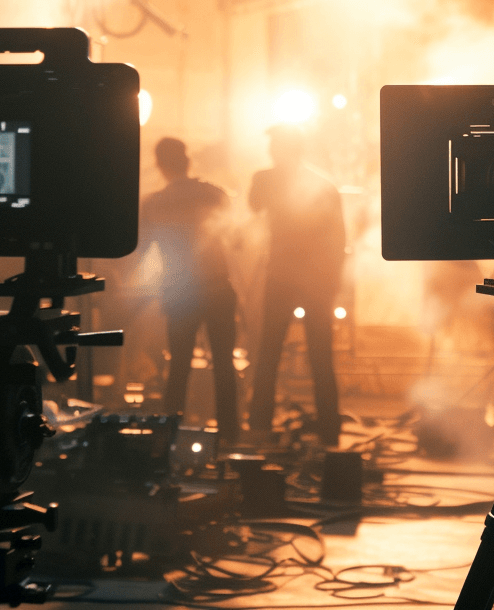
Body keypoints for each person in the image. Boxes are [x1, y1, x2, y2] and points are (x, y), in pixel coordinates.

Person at [247, 125, 347, 446]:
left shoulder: (265, 179)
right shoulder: (323, 185)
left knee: (269, 353)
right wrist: (332, 282)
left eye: (275, 145)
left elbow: (253, 206)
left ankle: (260, 425)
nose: (270, 151)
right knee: (321, 356)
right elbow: (339, 239)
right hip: (315, 281)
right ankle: (329, 429)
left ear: (283, 148)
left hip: (283, 277)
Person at [139, 137, 239, 444]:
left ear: (161, 165)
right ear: (187, 161)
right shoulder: (214, 193)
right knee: (224, 363)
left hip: (182, 291)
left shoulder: (155, 203)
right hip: (218, 287)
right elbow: (235, 237)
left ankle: (171, 434)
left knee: (179, 365)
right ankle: (230, 434)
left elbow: (142, 250)